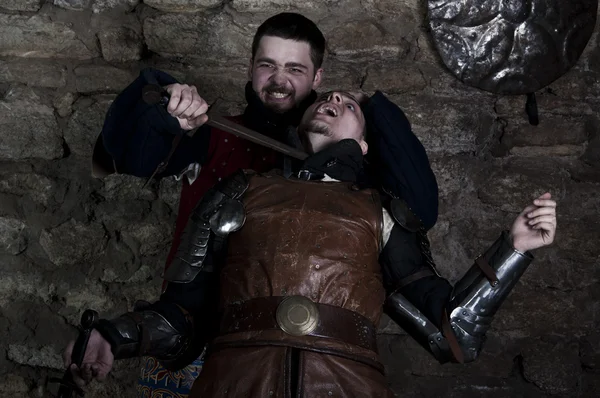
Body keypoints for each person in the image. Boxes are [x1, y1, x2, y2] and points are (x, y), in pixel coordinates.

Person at [66, 91, 557, 396]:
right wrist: (115, 336)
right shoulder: (237, 192)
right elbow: (182, 318)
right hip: (235, 382)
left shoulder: (383, 210)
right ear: (300, 125)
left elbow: (451, 335)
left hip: (348, 385)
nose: (334, 101)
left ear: (364, 147)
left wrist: (513, 249)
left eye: (349, 105)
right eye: (327, 99)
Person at [95, 11, 440, 396]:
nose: (279, 80)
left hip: (305, 360)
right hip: (186, 332)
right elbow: (130, 158)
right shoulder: (209, 133)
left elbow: (420, 211)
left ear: (317, 78)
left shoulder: (348, 165)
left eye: (295, 68)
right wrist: (164, 105)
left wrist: (368, 107)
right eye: (267, 65)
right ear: (251, 67)